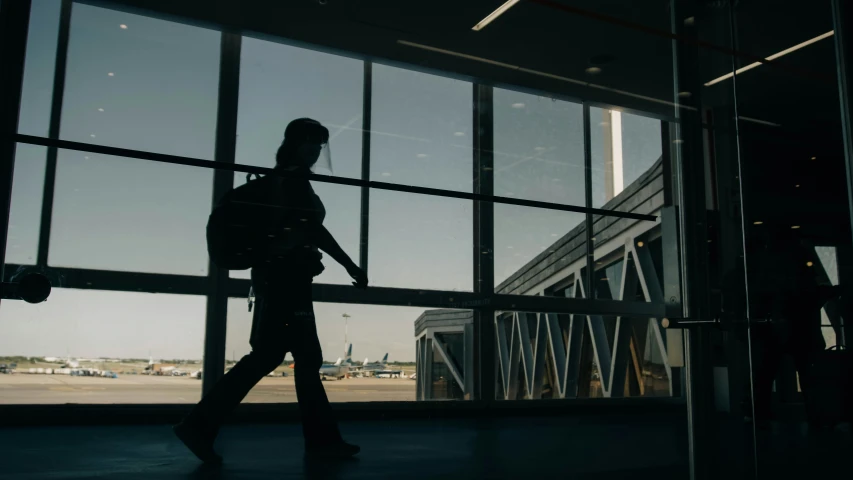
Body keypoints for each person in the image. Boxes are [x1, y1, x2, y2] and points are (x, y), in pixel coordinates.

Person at [174, 118, 368, 464]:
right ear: (294, 143)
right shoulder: (291, 182)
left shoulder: (286, 182)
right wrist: (349, 265)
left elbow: (307, 232)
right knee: (303, 360)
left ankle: (199, 426)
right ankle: (320, 442)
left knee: (271, 357)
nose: (315, 150)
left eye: (318, 145)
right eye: (310, 142)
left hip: (277, 282)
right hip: (285, 284)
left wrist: (341, 263)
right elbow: (314, 231)